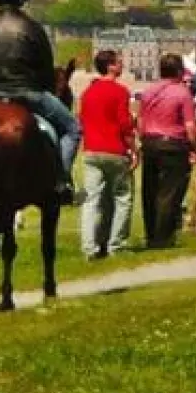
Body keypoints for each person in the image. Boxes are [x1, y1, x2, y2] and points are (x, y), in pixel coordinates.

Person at [0, 0, 82, 205]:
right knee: (72, 128)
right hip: (28, 93)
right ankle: (60, 181)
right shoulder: (33, 28)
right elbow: (45, 67)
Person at [79, 49, 136, 258]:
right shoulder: (120, 91)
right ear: (110, 66)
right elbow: (124, 124)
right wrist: (134, 149)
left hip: (91, 151)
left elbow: (82, 121)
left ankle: (89, 247)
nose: (122, 65)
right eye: (119, 63)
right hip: (114, 150)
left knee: (91, 201)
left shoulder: (87, 93)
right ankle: (116, 244)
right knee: (123, 198)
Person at [139, 53, 196, 248]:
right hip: (173, 144)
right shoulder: (182, 93)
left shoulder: (148, 91)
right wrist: (194, 147)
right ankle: (163, 237)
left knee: (150, 191)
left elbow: (140, 121)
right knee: (170, 192)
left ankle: (150, 234)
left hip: (149, 142)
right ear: (180, 71)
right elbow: (190, 126)